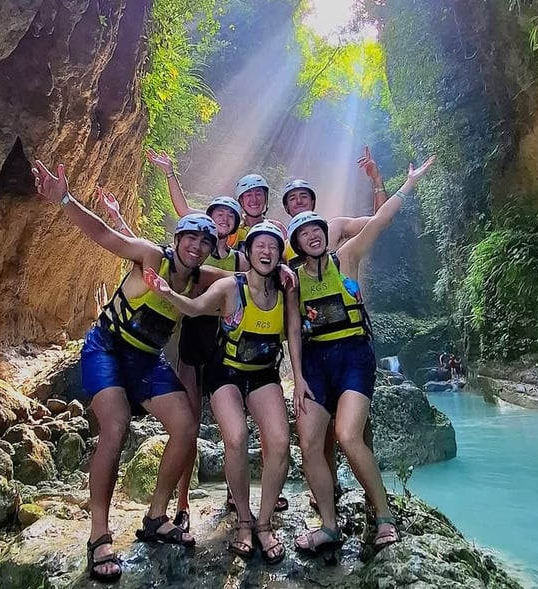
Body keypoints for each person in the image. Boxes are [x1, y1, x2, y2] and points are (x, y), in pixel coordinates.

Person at [31, 160, 227, 581]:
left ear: (210, 249)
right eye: (190, 237)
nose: (196, 246)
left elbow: (247, 276)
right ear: (178, 239)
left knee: (187, 427)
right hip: (107, 349)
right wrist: (64, 198)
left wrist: (284, 270)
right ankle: (99, 534)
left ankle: (156, 516)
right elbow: (103, 234)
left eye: (205, 241)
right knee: (115, 427)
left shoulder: (203, 278)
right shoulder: (150, 255)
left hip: (146, 361)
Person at [289, 156, 435, 557]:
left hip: (353, 354)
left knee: (349, 434)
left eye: (316, 230)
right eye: (304, 234)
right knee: (309, 442)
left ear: (323, 230)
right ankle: (329, 525)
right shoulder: (291, 279)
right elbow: (291, 331)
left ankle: (383, 516)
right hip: (316, 362)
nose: (313, 236)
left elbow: (381, 219)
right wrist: (297, 376)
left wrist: (406, 183)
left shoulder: (347, 253)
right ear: (297, 243)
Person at [144, 222, 307, 565]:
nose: (266, 251)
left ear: (280, 256)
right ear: (247, 253)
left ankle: (264, 524)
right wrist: (167, 292)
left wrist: (301, 378)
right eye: (259, 246)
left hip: (263, 374)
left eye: (273, 247)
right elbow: (195, 307)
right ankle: (244, 523)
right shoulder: (230, 286)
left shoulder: (286, 288)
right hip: (225, 373)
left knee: (278, 443)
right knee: (235, 438)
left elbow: (293, 331)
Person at [146, 148, 290, 514]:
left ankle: (234, 492)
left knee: (238, 427)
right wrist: (169, 173)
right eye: (218, 215)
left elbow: (266, 275)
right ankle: (181, 503)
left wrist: (284, 271)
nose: (223, 220)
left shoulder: (244, 255)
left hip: (232, 347)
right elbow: (183, 214)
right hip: (195, 341)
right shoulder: (200, 248)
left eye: (230, 216)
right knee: (190, 425)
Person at [282, 146, 389, 266]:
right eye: (292, 198)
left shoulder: (336, 227)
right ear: (286, 207)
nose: (299, 201)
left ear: (312, 202)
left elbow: (382, 221)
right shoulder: (283, 247)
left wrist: (376, 179)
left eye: (304, 196)